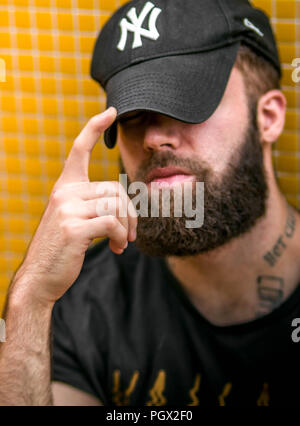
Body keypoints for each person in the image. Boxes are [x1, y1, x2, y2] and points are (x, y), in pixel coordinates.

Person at [0, 0, 299, 407]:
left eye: (188, 101)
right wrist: (30, 302)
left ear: (268, 117)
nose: (153, 138)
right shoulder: (84, 301)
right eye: (134, 113)